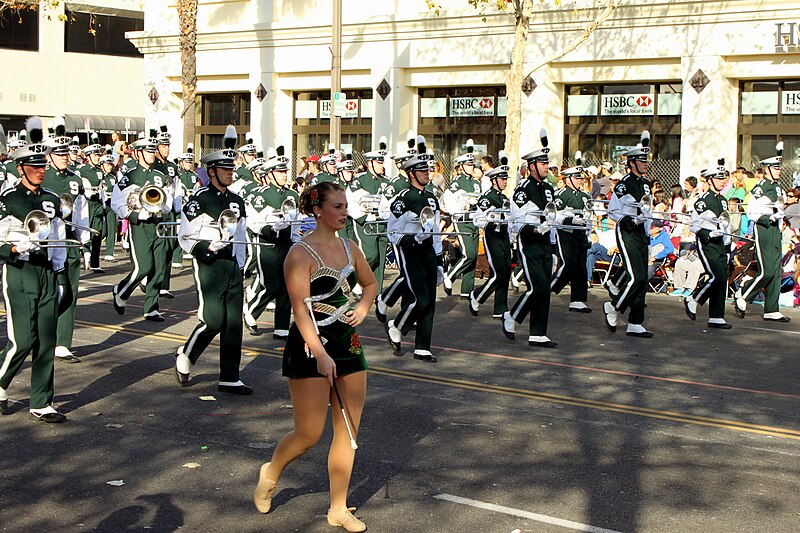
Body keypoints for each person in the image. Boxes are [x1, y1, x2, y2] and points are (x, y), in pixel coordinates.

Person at [253, 181, 376, 533]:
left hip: (347, 343)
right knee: (309, 434)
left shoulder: (351, 247)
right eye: (337, 206)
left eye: (345, 205)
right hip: (310, 345)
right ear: (317, 209)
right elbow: (300, 311)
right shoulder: (300, 254)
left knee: (349, 431)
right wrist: (320, 354)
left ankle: (338, 508)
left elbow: (369, 284)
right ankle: (271, 472)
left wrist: (364, 309)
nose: (344, 212)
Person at [0, 118, 70, 422]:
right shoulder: (8, 199)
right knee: (23, 340)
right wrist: (14, 249)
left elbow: (57, 239)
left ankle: (41, 400)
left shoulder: (51, 199)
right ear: (21, 169)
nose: (41, 170)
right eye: (34, 166)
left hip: (45, 272)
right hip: (19, 271)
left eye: (43, 165)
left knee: (46, 339)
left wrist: (60, 272)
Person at [174, 141, 253, 394]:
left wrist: (242, 263)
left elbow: (240, 234)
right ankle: (187, 354)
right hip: (210, 264)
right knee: (213, 319)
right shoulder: (200, 200)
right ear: (211, 172)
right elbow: (185, 236)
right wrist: (206, 248)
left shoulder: (237, 201)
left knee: (233, 324)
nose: (230, 172)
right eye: (224, 168)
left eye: (232, 168)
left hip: (232, 265)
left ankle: (230, 376)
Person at [385, 136, 443, 362]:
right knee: (421, 299)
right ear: (411, 173)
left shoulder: (432, 198)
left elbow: (436, 230)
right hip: (411, 252)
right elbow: (393, 232)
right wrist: (413, 238)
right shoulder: (403, 199)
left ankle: (422, 346)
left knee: (430, 301)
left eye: (428, 170)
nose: (428, 174)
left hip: (428, 251)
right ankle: (397, 325)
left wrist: (439, 260)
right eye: (422, 171)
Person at [503, 129, 558, 347]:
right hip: (529, 243)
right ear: (532, 166)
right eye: (542, 164)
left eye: (547, 163)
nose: (547, 167)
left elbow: (551, 217)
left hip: (545, 243)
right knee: (537, 287)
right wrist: (535, 229)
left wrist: (552, 244)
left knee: (545, 289)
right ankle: (513, 316)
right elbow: (517, 221)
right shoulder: (522, 190)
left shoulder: (548, 189)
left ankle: (538, 332)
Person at [110, 135, 173, 322]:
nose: (152, 154)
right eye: (148, 151)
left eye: (153, 150)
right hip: (140, 226)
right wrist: (136, 215)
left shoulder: (160, 176)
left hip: (158, 225)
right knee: (144, 266)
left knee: (159, 267)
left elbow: (168, 201)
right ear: (138, 153)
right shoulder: (130, 176)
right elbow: (117, 203)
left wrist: (161, 208)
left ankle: (151, 307)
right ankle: (121, 291)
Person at [43, 120, 90, 362]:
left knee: (69, 292)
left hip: (69, 241)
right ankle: (41, 337)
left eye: (65, 153)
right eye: (58, 153)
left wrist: (84, 240)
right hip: (45, 243)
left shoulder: (76, 179)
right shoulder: (41, 176)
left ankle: (62, 342)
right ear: (49, 155)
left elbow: (81, 212)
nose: (64, 157)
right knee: (48, 292)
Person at [243, 146, 301, 338]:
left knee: (287, 286)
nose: (284, 175)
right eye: (279, 172)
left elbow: (296, 222)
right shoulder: (261, 195)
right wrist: (270, 228)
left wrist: (297, 240)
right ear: (269, 175)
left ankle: (281, 327)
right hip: (267, 243)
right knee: (270, 284)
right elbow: (253, 222)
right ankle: (250, 311)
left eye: (285, 171)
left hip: (286, 244)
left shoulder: (292, 195)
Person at [603, 130, 656, 338]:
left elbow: (647, 210)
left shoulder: (644, 183)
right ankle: (614, 307)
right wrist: (632, 219)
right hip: (627, 232)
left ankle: (635, 321)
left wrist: (646, 229)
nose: (645, 164)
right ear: (632, 163)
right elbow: (613, 211)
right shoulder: (625, 184)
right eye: (641, 160)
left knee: (643, 279)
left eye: (646, 160)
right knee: (636, 277)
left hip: (642, 232)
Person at [735, 142, 791, 322]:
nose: (779, 170)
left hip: (776, 230)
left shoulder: (778, 187)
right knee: (766, 271)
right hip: (764, 229)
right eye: (775, 167)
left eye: (779, 167)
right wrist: (770, 218)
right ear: (767, 169)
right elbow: (752, 211)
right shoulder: (762, 186)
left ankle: (772, 308)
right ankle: (743, 295)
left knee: (775, 271)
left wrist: (779, 220)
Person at [683, 162, 733, 328]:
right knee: (716, 275)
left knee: (722, 277)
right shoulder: (703, 201)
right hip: (707, 242)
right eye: (719, 178)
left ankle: (716, 316)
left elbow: (726, 224)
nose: (723, 181)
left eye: (724, 178)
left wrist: (727, 248)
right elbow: (694, 225)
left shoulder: (723, 200)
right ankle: (693, 298)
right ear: (710, 181)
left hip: (720, 242)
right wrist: (709, 234)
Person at [469, 151, 512, 318]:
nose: (505, 182)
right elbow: (478, 219)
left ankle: (500, 307)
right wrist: (494, 217)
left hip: (504, 236)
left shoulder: (505, 197)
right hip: (492, 236)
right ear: (494, 180)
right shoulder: (487, 198)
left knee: (506, 272)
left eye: (506, 179)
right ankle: (477, 296)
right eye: (502, 179)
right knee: (498, 273)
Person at [346, 137, 391, 290]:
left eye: (382, 162)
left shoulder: (386, 181)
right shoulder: (359, 181)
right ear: (370, 163)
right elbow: (350, 202)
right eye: (379, 162)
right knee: (370, 255)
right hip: (366, 224)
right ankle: (354, 280)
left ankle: (377, 293)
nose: (382, 165)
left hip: (382, 223)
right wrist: (364, 218)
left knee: (381, 259)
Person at [551, 153, 592, 312]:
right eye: (576, 178)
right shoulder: (561, 194)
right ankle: (551, 286)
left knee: (581, 266)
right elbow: (555, 215)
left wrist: (588, 233)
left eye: (580, 178)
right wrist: (570, 220)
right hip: (566, 232)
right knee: (569, 263)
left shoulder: (584, 196)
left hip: (580, 233)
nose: (580, 180)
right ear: (568, 179)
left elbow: (588, 215)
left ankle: (578, 299)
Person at [441, 139, 481, 299]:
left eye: (473, 164)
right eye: (469, 164)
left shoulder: (476, 183)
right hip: (462, 219)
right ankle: (450, 275)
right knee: (468, 254)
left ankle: (467, 290)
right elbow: (448, 203)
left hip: (473, 220)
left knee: (474, 256)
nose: (472, 167)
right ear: (462, 166)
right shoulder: (457, 183)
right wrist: (462, 206)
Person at [76, 135, 106, 273]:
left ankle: (95, 262)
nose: (97, 157)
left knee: (98, 232)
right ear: (88, 156)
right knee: (85, 229)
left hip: (97, 203)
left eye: (98, 155)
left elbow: (102, 186)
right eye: (95, 155)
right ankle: (86, 254)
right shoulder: (81, 170)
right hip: (86, 202)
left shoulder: (100, 171)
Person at [99, 148, 119, 261]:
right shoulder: (99, 175)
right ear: (102, 165)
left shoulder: (112, 178)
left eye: (110, 164)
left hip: (110, 204)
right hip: (101, 203)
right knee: (101, 228)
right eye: (107, 165)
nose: (109, 167)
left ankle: (109, 252)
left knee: (111, 228)